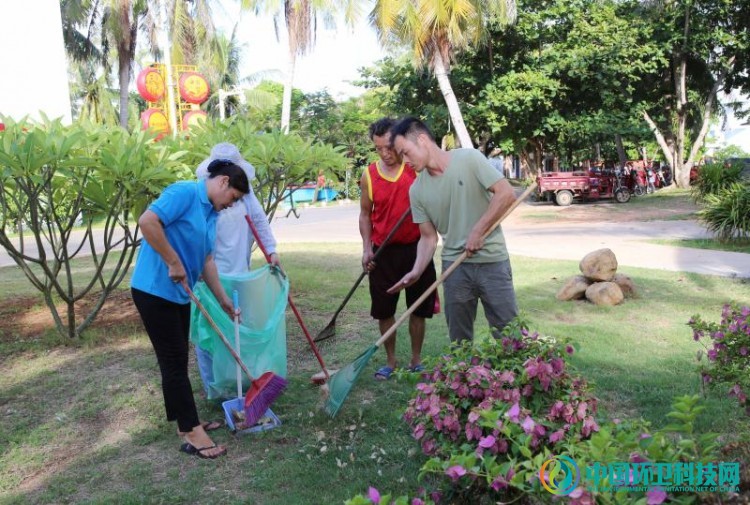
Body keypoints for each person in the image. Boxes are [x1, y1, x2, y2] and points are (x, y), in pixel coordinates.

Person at [130, 159, 250, 460]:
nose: (230, 205)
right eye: (233, 198)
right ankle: (193, 433)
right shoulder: (184, 193)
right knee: (173, 362)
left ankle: (185, 423)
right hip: (154, 290)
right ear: (223, 182)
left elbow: (207, 260)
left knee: (178, 360)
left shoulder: (211, 212)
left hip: (178, 294)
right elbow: (147, 222)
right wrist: (173, 261)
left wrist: (222, 298)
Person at [387, 116, 519, 344]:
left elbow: (506, 194)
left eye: (406, 152)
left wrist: (478, 230)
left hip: (493, 262)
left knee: (509, 335)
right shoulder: (417, 190)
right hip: (455, 269)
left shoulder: (469, 159)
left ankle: (516, 380)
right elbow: (428, 238)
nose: (404, 160)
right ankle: (464, 378)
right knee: (459, 342)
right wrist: (416, 271)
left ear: (422, 140)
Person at [360, 118, 438, 379]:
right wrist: (366, 249)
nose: (385, 153)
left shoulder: (415, 168)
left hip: (418, 248)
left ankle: (416, 360)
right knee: (384, 310)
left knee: (418, 308)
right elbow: (364, 215)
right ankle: (391, 361)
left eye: (389, 147)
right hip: (383, 253)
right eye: (378, 148)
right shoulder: (369, 175)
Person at [195, 143, 280, 274]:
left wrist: (271, 250)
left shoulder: (245, 192)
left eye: (235, 197)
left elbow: (259, 219)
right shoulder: (203, 192)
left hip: (239, 266)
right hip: (212, 270)